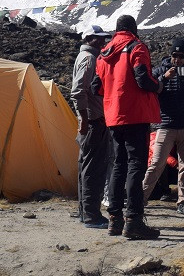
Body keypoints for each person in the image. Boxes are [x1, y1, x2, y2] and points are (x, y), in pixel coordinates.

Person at [94, 14, 162, 240]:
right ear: (133, 29)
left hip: (113, 116)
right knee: (136, 166)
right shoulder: (136, 46)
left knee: (118, 166)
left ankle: (115, 220)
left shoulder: (104, 53)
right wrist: (158, 86)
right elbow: (143, 78)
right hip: (134, 115)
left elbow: (96, 87)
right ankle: (133, 221)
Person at [141, 37, 184, 218]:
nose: (177, 60)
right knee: (157, 163)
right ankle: (140, 198)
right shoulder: (159, 71)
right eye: (174, 56)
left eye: (181, 56)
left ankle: (183, 201)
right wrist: (164, 78)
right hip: (165, 125)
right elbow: (147, 88)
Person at [71, 23, 113, 228]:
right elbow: (78, 91)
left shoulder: (85, 57)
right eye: (99, 38)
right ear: (89, 39)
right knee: (93, 168)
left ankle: (84, 212)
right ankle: (91, 215)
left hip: (91, 120)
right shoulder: (89, 59)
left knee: (86, 166)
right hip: (94, 121)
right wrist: (86, 119)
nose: (103, 41)